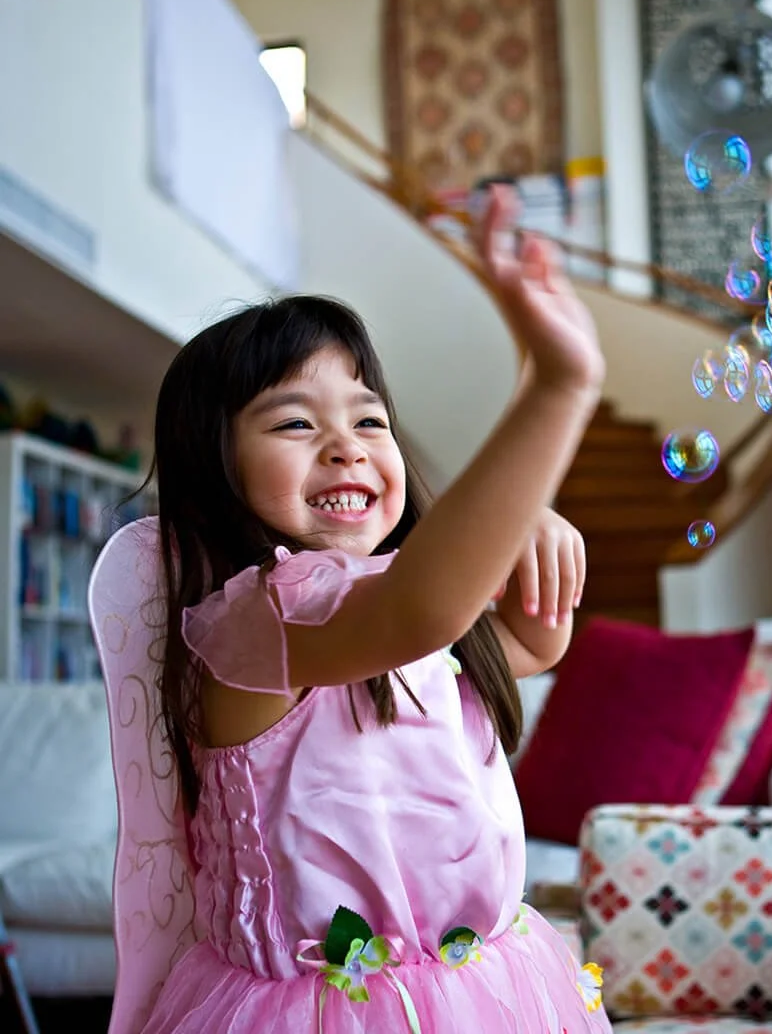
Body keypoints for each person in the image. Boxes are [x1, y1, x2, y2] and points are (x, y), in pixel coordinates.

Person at [101, 186, 611, 1032]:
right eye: (294, 423)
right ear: (214, 470)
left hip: (478, 986)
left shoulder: (393, 604)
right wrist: (556, 387)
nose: (347, 444)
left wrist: (525, 535)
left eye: (369, 419)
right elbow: (426, 615)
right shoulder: (254, 627)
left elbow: (520, 642)